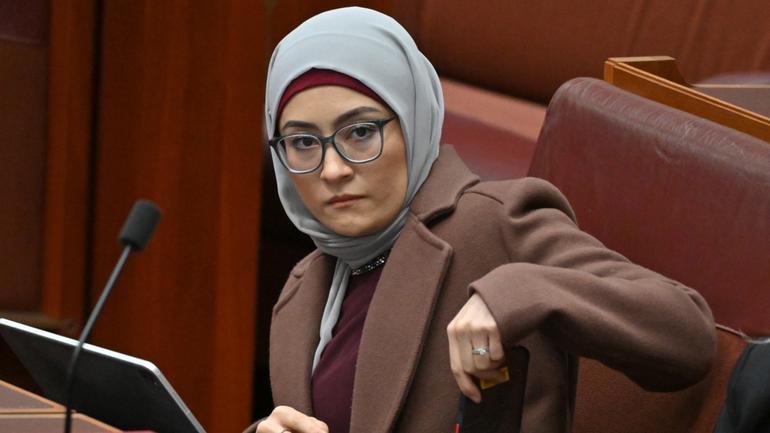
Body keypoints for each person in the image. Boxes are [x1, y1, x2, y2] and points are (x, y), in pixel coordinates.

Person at [247, 7, 716, 433]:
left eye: (362, 132)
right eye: (303, 142)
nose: (333, 170)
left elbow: (687, 338)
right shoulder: (302, 289)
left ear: (413, 120)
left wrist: (520, 292)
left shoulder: (495, 222)